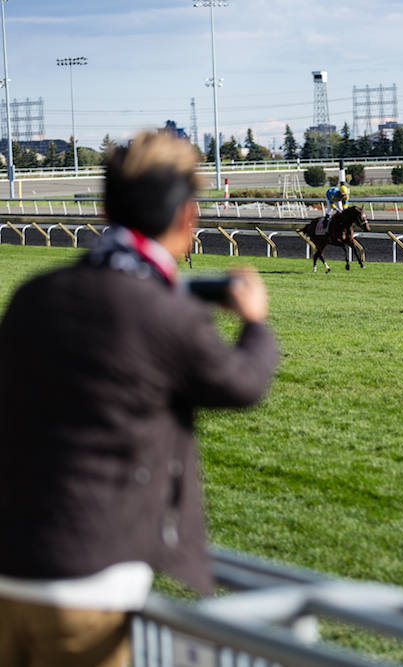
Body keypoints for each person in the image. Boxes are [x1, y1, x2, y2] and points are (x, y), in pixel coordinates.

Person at [0, 130, 278, 667]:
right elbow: (242, 384)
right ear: (187, 218)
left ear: (104, 209)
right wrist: (256, 324)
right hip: (86, 584)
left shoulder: (35, 295)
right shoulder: (164, 315)